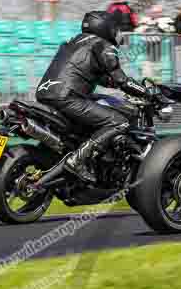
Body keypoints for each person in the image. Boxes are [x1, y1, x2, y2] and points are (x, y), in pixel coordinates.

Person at [36, 11, 162, 184]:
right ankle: (77, 161)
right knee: (119, 121)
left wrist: (112, 84)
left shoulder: (72, 42)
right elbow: (122, 81)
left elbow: (92, 75)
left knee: (93, 105)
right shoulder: (102, 45)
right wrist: (148, 92)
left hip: (45, 94)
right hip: (68, 98)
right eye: (114, 28)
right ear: (105, 27)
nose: (116, 33)